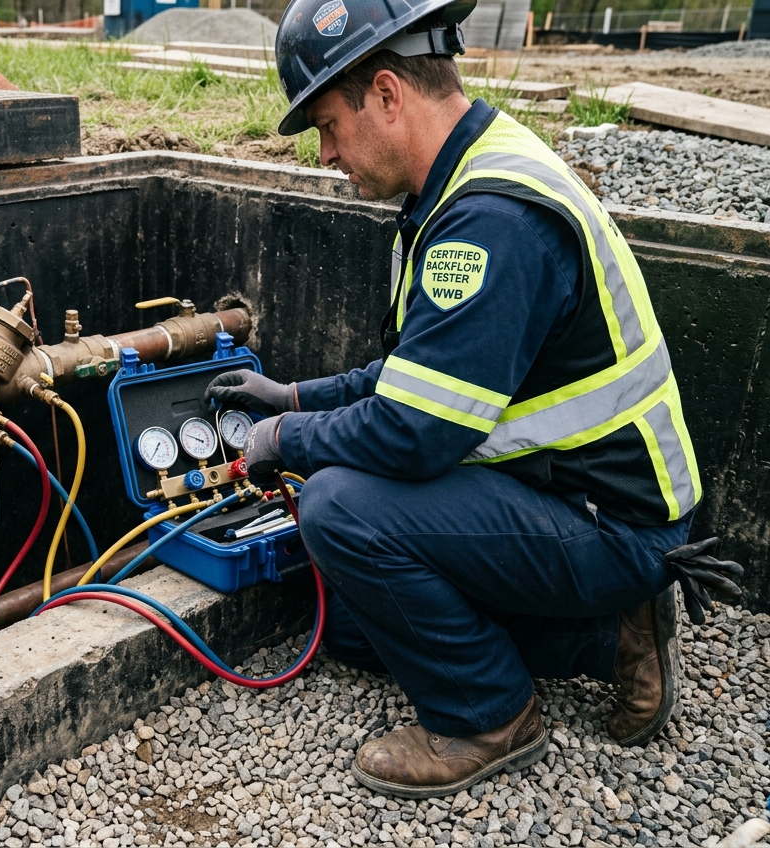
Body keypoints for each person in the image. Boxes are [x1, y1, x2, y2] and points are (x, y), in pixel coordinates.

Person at [205, 0, 739, 800]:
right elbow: (416, 379)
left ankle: (488, 715)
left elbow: (413, 432)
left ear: (387, 95)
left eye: (327, 126)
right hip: (569, 497)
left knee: (338, 509)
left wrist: (285, 435)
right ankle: (606, 634)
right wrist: (293, 393)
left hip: (608, 522)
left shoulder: (488, 222)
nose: (327, 155)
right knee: (350, 625)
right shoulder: (467, 180)